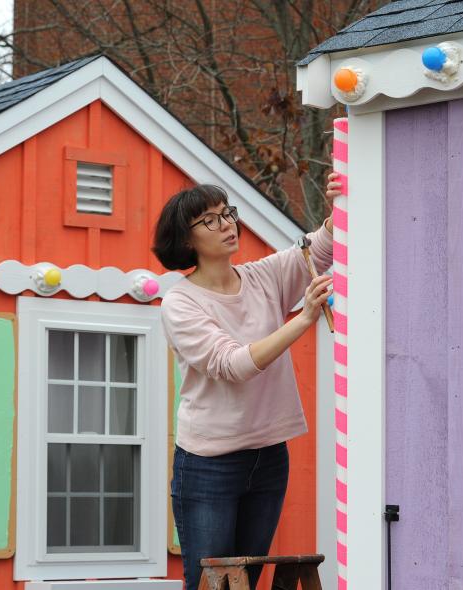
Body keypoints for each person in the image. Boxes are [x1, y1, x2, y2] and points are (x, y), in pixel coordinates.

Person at [151, 173, 341, 589]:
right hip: (209, 463)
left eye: (228, 214)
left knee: (247, 582)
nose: (227, 224)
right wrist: (304, 318)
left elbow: (321, 248)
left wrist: (338, 203)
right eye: (211, 220)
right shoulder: (180, 302)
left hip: (269, 455)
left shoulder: (261, 277)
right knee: (213, 583)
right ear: (186, 241)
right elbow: (233, 365)